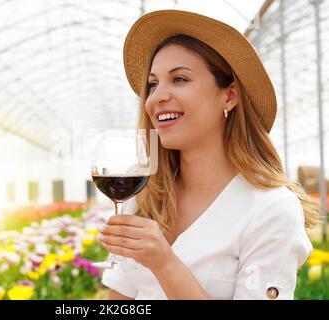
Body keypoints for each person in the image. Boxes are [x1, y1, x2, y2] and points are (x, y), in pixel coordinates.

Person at [97, 9, 321, 300]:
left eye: (179, 79)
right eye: (153, 84)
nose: (157, 97)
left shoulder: (271, 209)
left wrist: (165, 263)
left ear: (229, 96)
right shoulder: (146, 196)